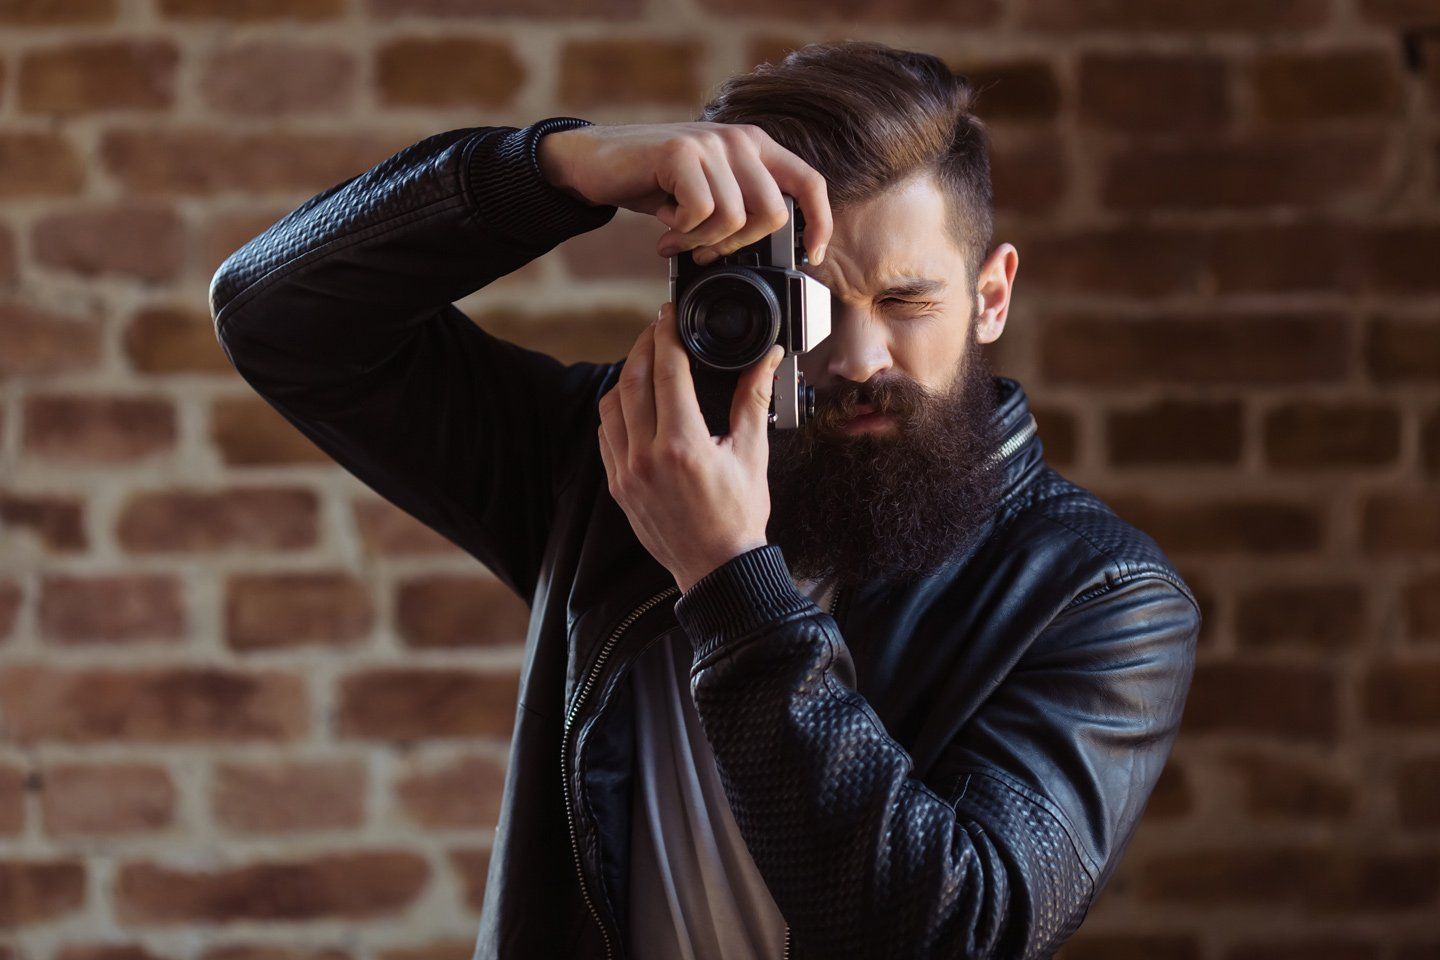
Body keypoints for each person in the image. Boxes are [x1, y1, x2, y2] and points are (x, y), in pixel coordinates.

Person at [211, 38, 1199, 960]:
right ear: (719, 293)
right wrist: (557, 169)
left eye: (907, 303)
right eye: (810, 305)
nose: (860, 358)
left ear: (991, 296)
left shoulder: (1102, 595)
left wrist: (727, 577)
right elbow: (274, 316)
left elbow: (954, 933)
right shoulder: (617, 468)